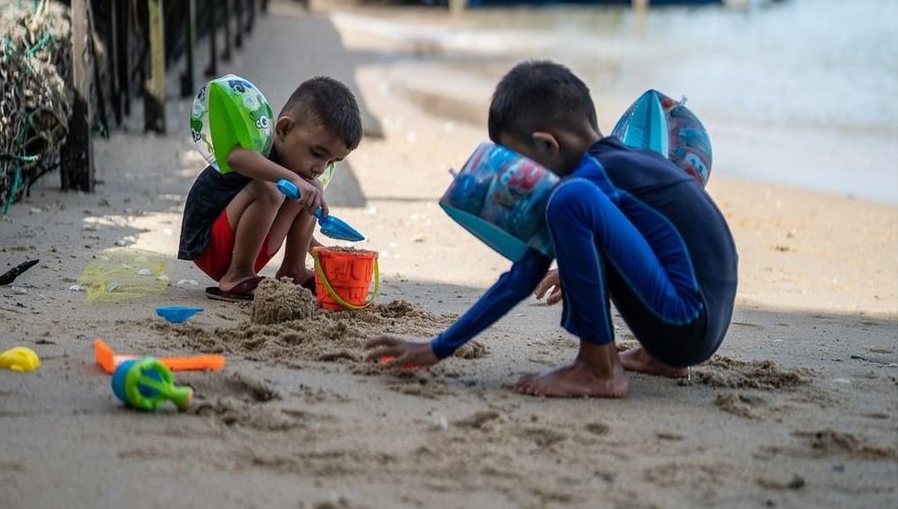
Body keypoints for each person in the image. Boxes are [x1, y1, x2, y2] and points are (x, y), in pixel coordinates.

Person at [366, 60, 738, 398]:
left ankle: (599, 368)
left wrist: (438, 347)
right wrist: (439, 346)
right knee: (579, 203)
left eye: (516, 161)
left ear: (547, 144)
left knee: (569, 198)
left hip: (685, 322)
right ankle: (660, 359)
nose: (517, 176)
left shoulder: (585, 186)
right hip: (696, 324)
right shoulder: (630, 165)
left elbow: (523, 276)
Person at [178, 76, 363, 301]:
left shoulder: (302, 175)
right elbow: (234, 158)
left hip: (252, 248)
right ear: (284, 128)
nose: (321, 168)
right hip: (210, 247)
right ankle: (237, 276)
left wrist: (315, 247)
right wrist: (292, 179)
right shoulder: (257, 150)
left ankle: (293, 270)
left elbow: (297, 208)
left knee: (311, 191)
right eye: (317, 154)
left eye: (332, 162)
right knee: (270, 188)